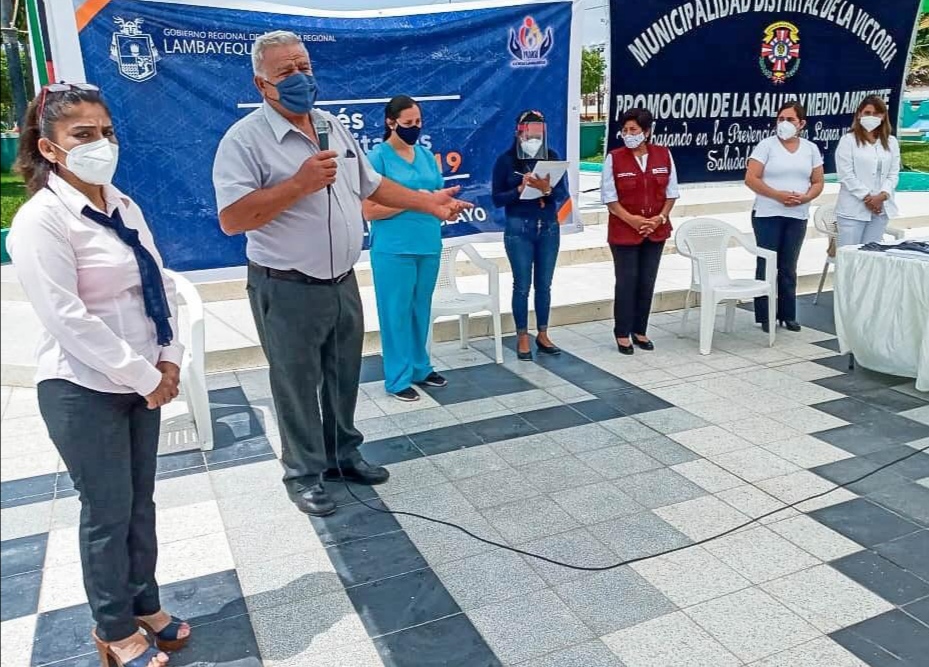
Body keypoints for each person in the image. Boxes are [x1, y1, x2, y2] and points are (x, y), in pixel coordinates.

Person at [212, 31, 468, 517]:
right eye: (286, 71)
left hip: (341, 280)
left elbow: (372, 185)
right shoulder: (244, 140)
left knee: (342, 375)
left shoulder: (330, 125)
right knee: (296, 384)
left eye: (304, 67)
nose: (300, 78)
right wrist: (298, 184)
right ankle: (303, 474)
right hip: (285, 285)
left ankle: (341, 454)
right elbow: (233, 218)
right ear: (262, 84)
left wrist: (428, 203)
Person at [7, 84, 189, 667]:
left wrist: (170, 356)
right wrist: (144, 374)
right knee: (107, 510)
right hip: (83, 388)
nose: (101, 144)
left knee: (140, 503)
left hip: (143, 379)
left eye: (106, 132)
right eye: (83, 135)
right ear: (49, 148)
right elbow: (67, 317)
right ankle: (113, 628)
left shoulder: (122, 205)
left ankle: (145, 603)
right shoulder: (41, 220)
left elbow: (158, 283)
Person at [362, 96, 448, 401]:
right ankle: (397, 377)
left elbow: (437, 196)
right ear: (391, 122)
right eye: (408, 123)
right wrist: (414, 200)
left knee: (420, 308)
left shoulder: (425, 155)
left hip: (428, 243)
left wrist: (446, 204)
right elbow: (369, 210)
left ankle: (420, 367)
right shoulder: (377, 158)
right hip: (394, 249)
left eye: (418, 122)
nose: (415, 127)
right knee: (395, 312)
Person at [491, 109, 569, 361]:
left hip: (548, 227)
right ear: (518, 133)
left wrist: (547, 189)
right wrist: (519, 189)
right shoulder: (506, 161)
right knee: (522, 285)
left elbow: (562, 194)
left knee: (544, 284)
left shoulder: (552, 157)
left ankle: (543, 333)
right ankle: (522, 335)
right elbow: (497, 198)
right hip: (519, 227)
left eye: (538, 134)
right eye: (529, 134)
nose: (533, 139)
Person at [601, 107, 678, 355]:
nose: (628, 134)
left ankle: (640, 330)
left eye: (633, 130)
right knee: (627, 281)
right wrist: (632, 220)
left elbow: (671, 193)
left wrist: (660, 218)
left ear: (646, 132)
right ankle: (622, 332)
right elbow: (610, 198)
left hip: (656, 229)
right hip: (624, 230)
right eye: (624, 130)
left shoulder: (663, 154)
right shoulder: (614, 158)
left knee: (647, 280)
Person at [745, 101, 824, 333]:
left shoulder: (810, 149)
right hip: (768, 213)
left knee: (789, 266)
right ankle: (765, 315)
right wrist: (777, 195)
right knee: (767, 264)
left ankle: (788, 314)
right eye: (781, 119)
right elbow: (751, 178)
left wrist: (806, 197)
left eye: (790, 119)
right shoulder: (766, 146)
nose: (784, 123)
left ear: (801, 123)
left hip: (797, 214)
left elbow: (818, 181)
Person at [835, 95, 901, 247]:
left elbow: (893, 174)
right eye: (867, 113)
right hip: (853, 210)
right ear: (859, 114)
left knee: (872, 255)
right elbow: (846, 175)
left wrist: (882, 196)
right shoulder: (848, 140)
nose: (871, 117)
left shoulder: (891, 142)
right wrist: (868, 198)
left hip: (881, 209)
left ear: (883, 116)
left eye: (876, 113)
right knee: (850, 255)